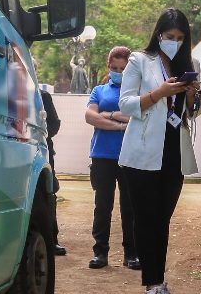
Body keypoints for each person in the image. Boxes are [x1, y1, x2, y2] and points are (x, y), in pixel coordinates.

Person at [119, 8, 201, 294]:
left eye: (181, 38)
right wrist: (159, 94)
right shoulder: (140, 61)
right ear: (158, 35)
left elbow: (193, 112)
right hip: (142, 151)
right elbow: (126, 104)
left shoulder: (191, 64)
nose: (175, 42)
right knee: (145, 218)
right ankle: (153, 283)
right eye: (170, 36)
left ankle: (158, 279)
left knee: (162, 219)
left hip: (174, 151)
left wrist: (192, 96)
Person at [84, 46, 139, 271]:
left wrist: (104, 115)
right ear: (109, 66)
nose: (118, 71)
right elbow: (90, 116)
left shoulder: (136, 92)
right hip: (102, 156)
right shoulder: (99, 90)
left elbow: (138, 115)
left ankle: (131, 254)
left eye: (123, 68)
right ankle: (100, 253)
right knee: (102, 206)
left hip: (130, 156)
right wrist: (119, 121)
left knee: (130, 208)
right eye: (114, 68)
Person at [41, 86, 68, 257]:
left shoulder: (43, 96)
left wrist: (41, 133)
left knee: (49, 193)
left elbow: (55, 123)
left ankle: (52, 239)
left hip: (43, 151)